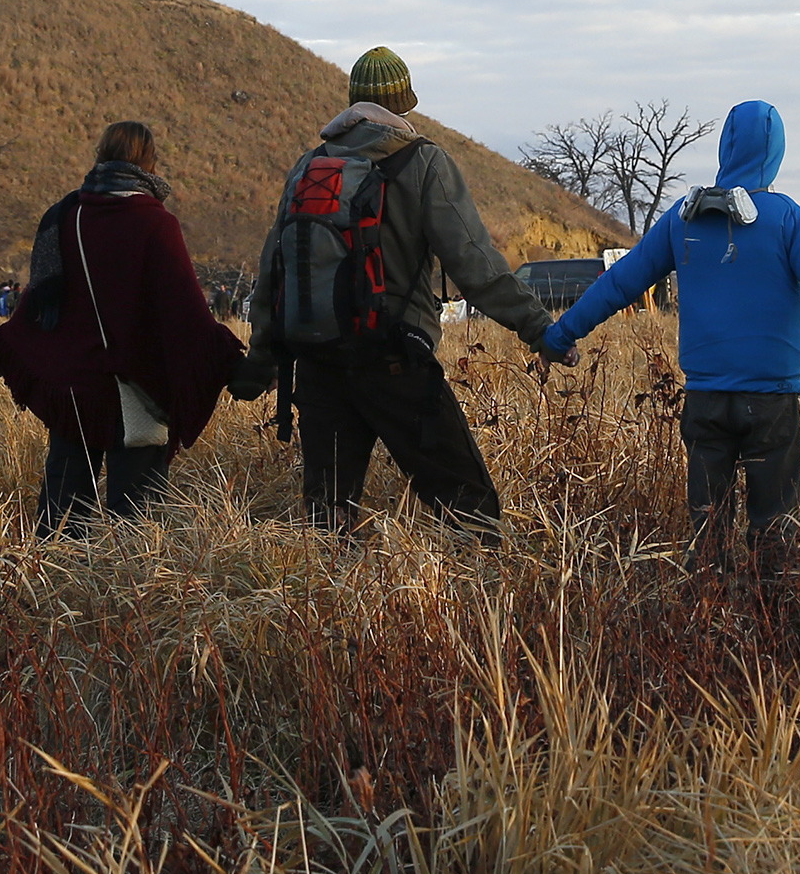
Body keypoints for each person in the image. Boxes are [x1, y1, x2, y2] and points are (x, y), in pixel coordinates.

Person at [539, 101, 800, 574]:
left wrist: (558, 335)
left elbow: (619, 283)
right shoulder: (786, 218)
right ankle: (773, 630)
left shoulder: (681, 219)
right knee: (773, 532)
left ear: (725, 146)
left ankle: (702, 625)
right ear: (776, 154)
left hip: (705, 401)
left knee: (707, 534)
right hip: (771, 403)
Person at [233, 46, 559, 535]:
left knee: (327, 521)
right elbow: (473, 263)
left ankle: (327, 607)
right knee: (468, 509)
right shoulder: (424, 162)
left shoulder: (310, 166)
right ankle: (474, 604)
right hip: (395, 364)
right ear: (404, 102)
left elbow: (273, 269)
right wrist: (537, 327)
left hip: (319, 367)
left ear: (352, 102)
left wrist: (260, 363)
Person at [0, 121, 247, 529]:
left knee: (62, 516)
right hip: (134, 391)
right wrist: (235, 365)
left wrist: (2, 347)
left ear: (100, 156)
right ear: (149, 163)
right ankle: (126, 588)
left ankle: (50, 588)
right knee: (137, 520)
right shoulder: (156, 222)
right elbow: (186, 313)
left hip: (72, 391)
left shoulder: (65, 215)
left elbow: (37, 301)